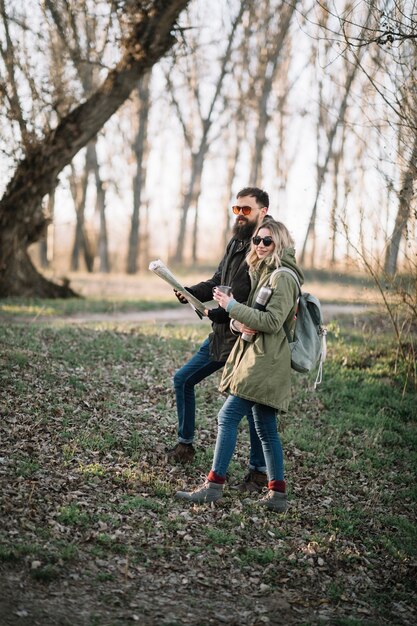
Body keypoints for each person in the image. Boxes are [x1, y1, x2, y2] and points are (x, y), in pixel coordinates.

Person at [175, 220, 304, 512]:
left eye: (267, 241)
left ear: (279, 244)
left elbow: (271, 322)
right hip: (259, 355)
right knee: (266, 427)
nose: (259, 244)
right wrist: (234, 320)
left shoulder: (282, 277)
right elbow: (253, 317)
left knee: (227, 416)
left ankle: (213, 486)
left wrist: (231, 306)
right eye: (257, 240)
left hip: (265, 360)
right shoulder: (265, 273)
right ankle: (278, 495)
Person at [167, 187, 272, 493]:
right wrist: (188, 292)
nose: (240, 215)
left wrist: (221, 314)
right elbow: (217, 283)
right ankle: (185, 446)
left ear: (262, 211)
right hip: (221, 338)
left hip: (246, 342)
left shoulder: (267, 246)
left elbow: (256, 302)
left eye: (246, 210)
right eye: (236, 209)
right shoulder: (237, 241)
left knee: (253, 407)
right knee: (183, 379)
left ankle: (258, 473)